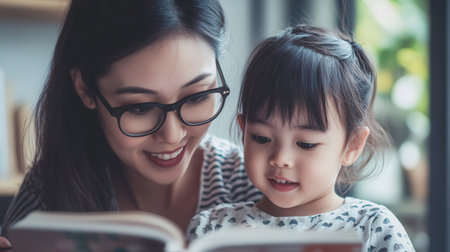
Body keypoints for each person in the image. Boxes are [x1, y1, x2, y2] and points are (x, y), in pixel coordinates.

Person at [0, 0, 262, 247]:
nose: (172, 135)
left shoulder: (258, 183)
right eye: (140, 107)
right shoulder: (50, 189)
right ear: (85, 89)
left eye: (197, 97)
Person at [186, 24, 415, 251]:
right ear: (244, 130)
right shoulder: (213, 229)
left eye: (306, 144)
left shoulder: (372, 228)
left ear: (352, 146)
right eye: (262, 138)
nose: (280, 159)